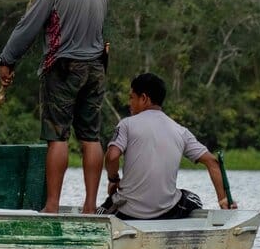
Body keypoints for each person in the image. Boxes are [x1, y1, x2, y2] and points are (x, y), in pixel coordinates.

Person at [0, 0, 108, 214]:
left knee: (57, 137)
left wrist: (7, 60)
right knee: (90, 137)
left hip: (63, 68)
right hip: (96, 67)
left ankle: (52, 205)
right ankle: (90, 207)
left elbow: (27, 27)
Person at [100, 73, 237, 220]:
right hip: (166, 212)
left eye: (131, 97)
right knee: (194, 199)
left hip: (127, 211)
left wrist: (113, 180)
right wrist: (223, 199)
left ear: (144, 98)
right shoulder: (180, 131)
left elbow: (112, 156)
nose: (129, 103)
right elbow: (212, 162)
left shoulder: (126, 124)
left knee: (102, 210)